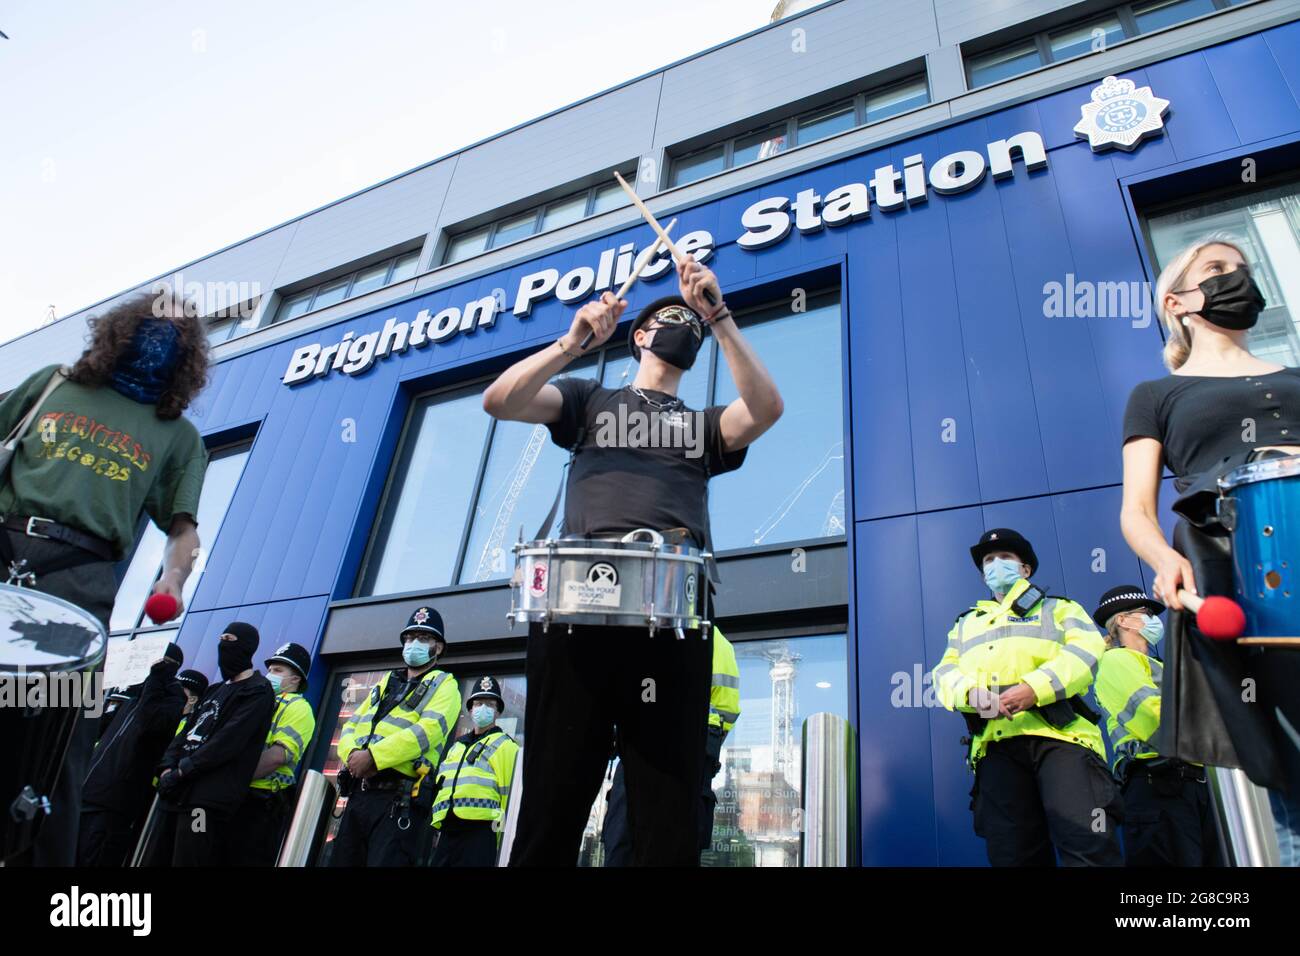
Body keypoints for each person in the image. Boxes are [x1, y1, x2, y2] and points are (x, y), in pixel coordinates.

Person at [484, 253, 782, 866]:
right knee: (552, 799)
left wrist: (718, 316)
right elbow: (500, 401)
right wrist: (572, 341)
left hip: (670, 621)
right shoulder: (589, 400)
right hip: (575, 615)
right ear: (639, 335)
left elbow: (766, 410)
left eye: (690, 323)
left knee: (664, 814)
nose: (685, 324)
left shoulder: (703, 425)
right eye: (672, 316)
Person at [0, 290, 209, 865]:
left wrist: (172, 582)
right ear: (120, 330)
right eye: (151, 324)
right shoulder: (53, 385)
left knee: (58, 737)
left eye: (176, 331)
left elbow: (182, 530)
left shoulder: (177, 435)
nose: (160, 337)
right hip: (5, 550)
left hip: (78, 586)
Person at [1119, 234, 1300, 863]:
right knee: (1284, 752)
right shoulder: (1156, 396)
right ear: (1177, 301)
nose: (1236, 278)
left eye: (1242, 269)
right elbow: (1137, 509)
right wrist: (1166, 561)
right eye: (1217, 269)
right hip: (1233, 572)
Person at [931, 529, 1122, 866]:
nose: (995, 564)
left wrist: (1035, 687)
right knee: (1013, 856)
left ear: (1026, 569)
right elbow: (944, 673)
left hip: (1063, 740)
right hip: (995, 747)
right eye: (989, 560)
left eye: (1005, 557)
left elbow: (1087, 650)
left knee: (1087, 848)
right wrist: (971, 694)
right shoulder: (965, 625)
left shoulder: (1060, 608)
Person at [1092, 586, 1219, 866]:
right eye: (1145, 613)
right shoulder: (1115, 661)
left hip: (1193, 785)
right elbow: (1155, 718)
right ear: (1123, 620)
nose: (1153, 619)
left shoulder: (1158, 664)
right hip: (1158, 787)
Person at [330, 607, 460, 867]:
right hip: (360, 795)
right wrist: (352, 755)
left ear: (439, 647)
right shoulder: (385, 682)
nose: (414, 644)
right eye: (410, 638)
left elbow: (427, 732)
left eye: (423, 639)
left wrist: (374, 757)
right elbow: (352, 724)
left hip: (397, 801)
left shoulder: (445, 684)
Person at [603, 626, 741, 865]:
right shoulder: (719, 641)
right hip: (697, 748)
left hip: (649, 738)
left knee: (627, 838)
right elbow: (726, 711)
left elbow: (644, 689)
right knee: (677, 841)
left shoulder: (657, 627)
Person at [147, 622, 276, 867]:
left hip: (205, 803)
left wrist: (184, 769)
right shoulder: (214, 690)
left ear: (246, 646)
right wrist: (167, 767)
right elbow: (186, 730)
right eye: (220, 638)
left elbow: (229, 740)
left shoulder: (258, 690)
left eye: (229, 639)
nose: (222, 646)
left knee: (189, 858)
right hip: (175, 794)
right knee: (155, 858)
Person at [78, 642, 187, 867]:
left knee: (93, 857)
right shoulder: (133, 692)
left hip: (115, 798)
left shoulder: (173, 697)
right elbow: (95, 727)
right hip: (89, 788)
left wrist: (157, 680)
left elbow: (148, 725)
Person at [228, 642, 316, 867]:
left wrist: (231, 779)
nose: (270, 675)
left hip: (261, 803)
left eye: (278, 671)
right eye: (270, 669)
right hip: (235, 796)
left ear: (295, 679)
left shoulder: (298, 708)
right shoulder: (259, 701)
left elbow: (278, 756)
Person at [429, 676, 519, 867]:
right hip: (448, 830)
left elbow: (509, 797)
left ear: (498, 711)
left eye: (489, 704)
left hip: (481, 832)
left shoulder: (506, 746)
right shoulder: (457, 747)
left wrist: (501, 839)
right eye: (478, 703)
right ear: (470, 709)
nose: (483, 708)